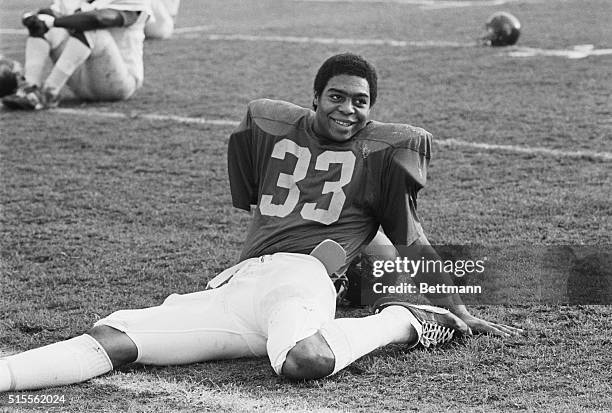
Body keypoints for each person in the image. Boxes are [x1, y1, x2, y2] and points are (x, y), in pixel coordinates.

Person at [0, 53, 523, 391]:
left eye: (361, 102)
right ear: (315, 96)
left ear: (373, 109)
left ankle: (407, 320)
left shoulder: (373, 150)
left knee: (306, 361)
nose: (348, 109)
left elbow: (409, 238)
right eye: (336, 97)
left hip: (301, 280)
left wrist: (457, 308)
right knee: (110, 337)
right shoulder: (276, 126)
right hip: (240, 284)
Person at [1, 0, 152, 110]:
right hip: (82, 80)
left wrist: (53, 22)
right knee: (43, 28)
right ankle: (29, 88)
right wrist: (32, 18)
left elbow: (98, 19)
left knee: (91, 29)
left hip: (118, 84)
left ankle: (49, 93)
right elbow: (48, 15)